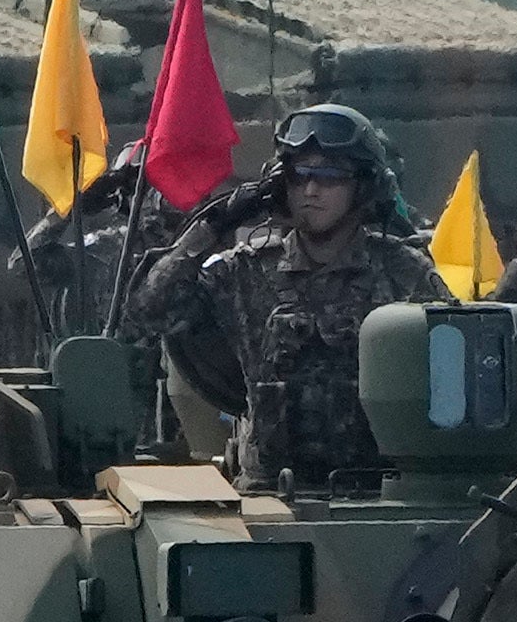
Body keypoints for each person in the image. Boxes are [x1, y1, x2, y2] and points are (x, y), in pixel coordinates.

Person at [130, 104, 450, 493]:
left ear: (363, 187)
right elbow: (151, 309)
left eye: (330, 176)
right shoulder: (244, 271)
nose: (311, 190)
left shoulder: (403, 272)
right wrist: (215, 225)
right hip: (269, 496)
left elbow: (448, 370)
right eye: (298, 176)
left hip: (378, 496)